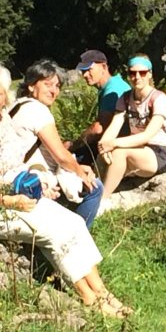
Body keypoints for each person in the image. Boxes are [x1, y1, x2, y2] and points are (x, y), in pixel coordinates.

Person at [0, 64, 132, 318]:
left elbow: (17, 161)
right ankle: (90, 299)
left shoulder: (2, 120)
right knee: (54, 232)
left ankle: (103, 293)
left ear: (5, 96)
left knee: (74, 223)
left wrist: (38, 182)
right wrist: (9, 201)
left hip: (16, 194)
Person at [9, 59, 104, 229]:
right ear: (31, 86)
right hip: (32, 177)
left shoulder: (15, 106)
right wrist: (80, 172)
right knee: (95, 187)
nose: (54, 91)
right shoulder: (38, 110)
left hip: (16, 174)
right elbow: (61, 156)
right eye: (48, 85)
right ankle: (78, 236)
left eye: (57, 86)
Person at [97, 53, 166, 199]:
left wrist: (113, 143)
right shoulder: (125, 98)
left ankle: (101, 199)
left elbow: (147, 135)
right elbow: (115, 125)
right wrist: (104, 144)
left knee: (119, 152)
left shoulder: (159, 99)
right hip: (138, 148)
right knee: (102, 155)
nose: (137, 77)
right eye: (132, 73)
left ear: (150, 74)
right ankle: (94, 193)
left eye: (142, 72)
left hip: (160, 152)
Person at [67, 49, 131, 165]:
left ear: (104, 67)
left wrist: (72, 145)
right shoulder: (115, 84)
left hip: (118, 146)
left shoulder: (113, 90)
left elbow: (98, 129)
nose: (85, 75)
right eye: (83, 71)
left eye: (89, 70)